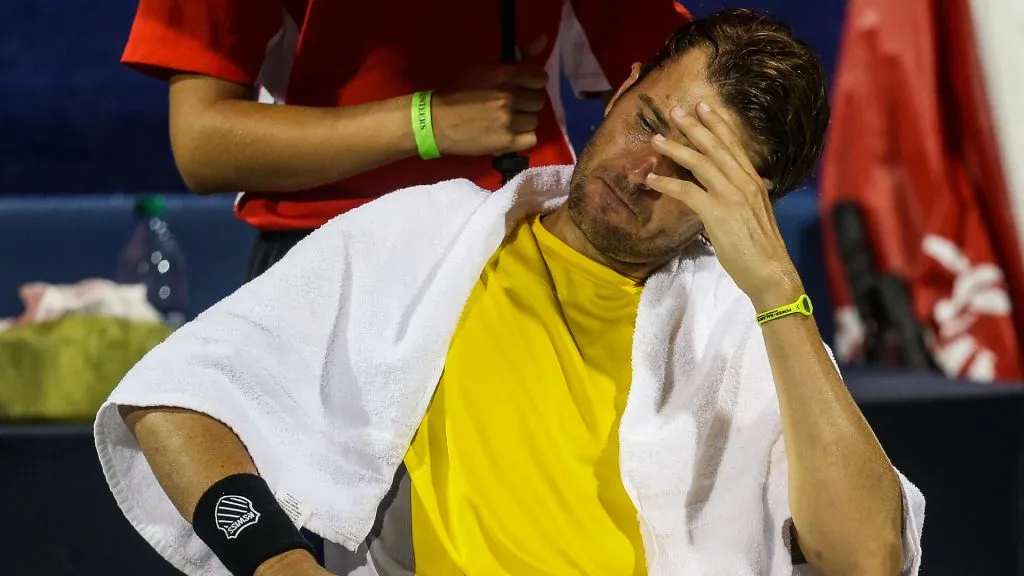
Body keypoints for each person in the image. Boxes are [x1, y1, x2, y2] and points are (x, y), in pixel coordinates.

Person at [96, 9, 925, 576]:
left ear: (748, 201)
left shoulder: (744, 324)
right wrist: (274, 560)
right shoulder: (421, 244)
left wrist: (779, 292)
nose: (642, 171)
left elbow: (867, 559)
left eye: (690, 169)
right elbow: (176, 399)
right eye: (647, 123)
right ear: (622, 84)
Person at [120, 0, 691, 281]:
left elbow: (691, 96)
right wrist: (426, 123)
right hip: (321, 267)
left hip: (524, 256)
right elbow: (201, 146)